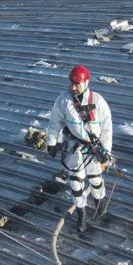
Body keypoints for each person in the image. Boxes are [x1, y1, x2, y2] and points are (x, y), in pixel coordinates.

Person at [46, 65, 113, 234]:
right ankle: (81, 212)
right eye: (71, 83)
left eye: (77, 83)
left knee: (96, 180)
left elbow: (107, 129)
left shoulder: (98, 101)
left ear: (86, 83)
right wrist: (52, 142)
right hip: (74, 149)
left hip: (94, 149)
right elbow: (54, 123)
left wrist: (106, 151)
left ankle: (100, 204)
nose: (73, 87)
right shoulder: (63, 100)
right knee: (76, 183)